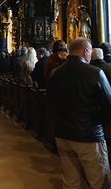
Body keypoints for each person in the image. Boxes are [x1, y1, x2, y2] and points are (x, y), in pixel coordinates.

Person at [47, 38, 111, 189]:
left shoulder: (55, 73)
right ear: (86, 51)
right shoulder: (95, 73)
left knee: (70, 182)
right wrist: (99, 123)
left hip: (62, 134)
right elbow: (108, 104)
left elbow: (51, 102)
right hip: (89, 135)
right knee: (99, 181)